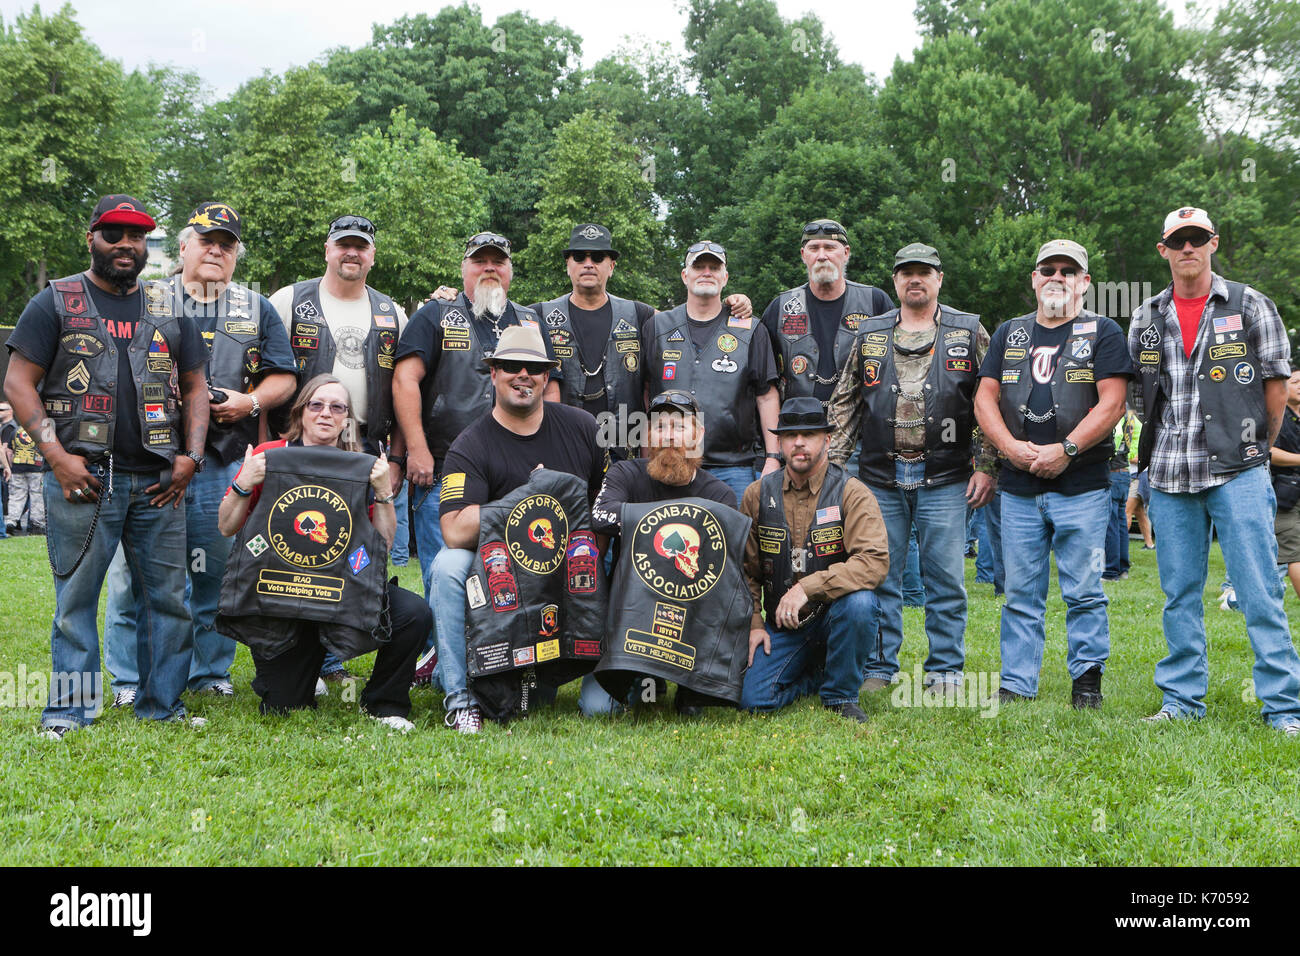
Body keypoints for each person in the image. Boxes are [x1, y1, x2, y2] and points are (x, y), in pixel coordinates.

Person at [3, 194, 209, 738]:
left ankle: (162, 706)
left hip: (159, 481)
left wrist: (190, 457)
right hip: (83, 479)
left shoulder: (171, 308)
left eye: (137, 236)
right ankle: (70, 712)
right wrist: (56, 457)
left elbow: (196, 388)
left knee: (168, 602)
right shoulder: (56, 301)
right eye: (113, 234)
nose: (126, 245)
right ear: (91, 237)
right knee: (75, 602)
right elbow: (18, 383)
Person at [104, 202, 297, 704]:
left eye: (227, 244)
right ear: (183, 247)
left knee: (215, 573)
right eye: (207, 240)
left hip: (223, 458)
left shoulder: (256, 308)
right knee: (136, 577)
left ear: (235, 256)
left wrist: (249, 400)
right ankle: (129, 679)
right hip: (150, 458)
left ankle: (209, 673)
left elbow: (285, 375)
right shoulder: (144, 297)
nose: (216, 249)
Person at [1129, 207, 1300, 733]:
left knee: (1259, 591)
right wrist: (1145, 475)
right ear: (1163, 249)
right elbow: (1140, 399)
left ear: (1213, 243)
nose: (1187, 248)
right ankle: (1181, 700)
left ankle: (1284, 707)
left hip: (1239, 472)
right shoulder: (1145, 316)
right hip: (1171, 476)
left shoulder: (1251, 305)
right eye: (1177, 240)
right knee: (1180, 595)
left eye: (1197, 238)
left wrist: (1254, 450)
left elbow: (1276, 387)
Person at [828, 243, 995, 696]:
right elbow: (845, 402)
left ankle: (945, 671)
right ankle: (880, 668)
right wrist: (833, 468)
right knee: (880, 574)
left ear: (939, 278)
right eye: (906, 273)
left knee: (945, 579)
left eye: (924, 272)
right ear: (896, 281)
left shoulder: (969, 329)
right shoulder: (871, 333)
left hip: (946, 477)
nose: (915, 279)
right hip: (880, 477)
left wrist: (986, 463)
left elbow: (990, 400)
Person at [216, 375, 427, 731]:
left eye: (337, 407)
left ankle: (384, 703)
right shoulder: (269, 456)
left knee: (413, 613)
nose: (326, 413)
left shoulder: (362, 466)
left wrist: (383, 493)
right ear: (302, 412)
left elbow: (384, 544)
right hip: (283, 600)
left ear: (346, 419)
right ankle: (303, 673)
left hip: (341, 593)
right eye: (317, 404)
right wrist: (243, 482)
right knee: (285, 707)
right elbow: (226, 526)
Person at [973, 238, 1130, 708]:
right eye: (1048, 270)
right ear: (1034, 280)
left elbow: (1113, 402)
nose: (1057, 277)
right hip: (1019, 486)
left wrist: (1067, 448)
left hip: (1081, 482)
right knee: (1020, 591)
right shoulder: (1009, 332)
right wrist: (1009, 449)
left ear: (1084, 282)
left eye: (1068, 270)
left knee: (1083, 588)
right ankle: (1018, 684)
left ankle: (1086, 682)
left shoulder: (1103, 331)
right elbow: (984, 397)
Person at [430, 325, 610, 732]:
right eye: (511, 366)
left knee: (542, 696)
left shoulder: (583, 428)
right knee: (447, 565)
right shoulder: (470, 445)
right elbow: (455, 531)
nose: (523, 375)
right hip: (499, 571)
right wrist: (527, 499)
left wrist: (587, 552)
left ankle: (608, 674)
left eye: (533, 368)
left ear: (547, 377)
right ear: (493, 373)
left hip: (563, 566)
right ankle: (459, 699)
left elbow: (603, 504)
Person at [269, 214, 410, 685]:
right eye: (344, 245)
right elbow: (264, 370)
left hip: (365, 441)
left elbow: (410, 388)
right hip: (302, 441)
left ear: (372, 255)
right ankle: (296, 656)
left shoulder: (392, 310)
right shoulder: (291, 299)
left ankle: (332, 659)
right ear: (327, 250)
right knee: (300, 550)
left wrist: (397, 458)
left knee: (354, 550)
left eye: (361, 246)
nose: (352, 253)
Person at [393, 231, 560, 599]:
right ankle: (441, 654)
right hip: (443, 471)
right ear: (464, 268)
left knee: (515, 575)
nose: (489, 268)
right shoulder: (434, 313)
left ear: (510, 270)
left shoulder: (531, 321)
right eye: (479, 261)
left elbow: (550, 389)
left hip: (519, 475)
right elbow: (405, 379)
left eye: (497, 261)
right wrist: (415, 449)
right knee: (447, 577)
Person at [739, 397, 889, 721]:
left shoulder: (852, 492)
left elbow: (874, 560)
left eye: (809, 434)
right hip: (785, 623)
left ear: (828, 440)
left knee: (861, 603)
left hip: (836, 615)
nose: (799, 442)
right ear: (779, 442)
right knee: (754, 700)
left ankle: (839, 695)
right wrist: (754, 623)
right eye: (790, 435)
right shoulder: (757, 494)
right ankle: (818, 677)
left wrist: (807, 587)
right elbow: (745, 571)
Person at [589, 390, 737, 713]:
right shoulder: (624, 474)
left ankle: (691, 687)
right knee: (596, 708)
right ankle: (647, 681)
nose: (669, 435)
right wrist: (668, 523)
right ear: (647, 434)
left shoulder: (721, 495)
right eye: (659, 426)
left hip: (692, 621)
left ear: (698, 434)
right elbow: (599, 517)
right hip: (632, 621)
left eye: (679, 426)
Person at [643, 240, 781, 504]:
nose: (706, 272)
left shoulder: (751, 329)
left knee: (734, 543)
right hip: (670, 462)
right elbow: (646, 392)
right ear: (685, 275)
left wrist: (773, 459)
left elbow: (767, 396)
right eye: (699, 266)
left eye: (714, 267)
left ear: (725, 277)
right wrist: (646, 455)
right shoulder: (657, 327)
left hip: (734, 467)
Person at [760, 218, 894, 416]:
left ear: (846, 253)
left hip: (860, 433)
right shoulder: (781, 308)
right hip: (799, 431)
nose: (822, 256)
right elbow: (763, 378)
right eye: (814, 248)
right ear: (803, 255)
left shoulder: (875, 302)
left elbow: (896, 368)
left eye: (830, 247)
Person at [1271, 368, 1300, 601]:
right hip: (1285, 495)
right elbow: (1266, 452)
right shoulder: (1275, 416)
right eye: (1296, 381)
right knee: (1294, 553)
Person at [2, 403, 43, 535]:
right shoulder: (41, 430)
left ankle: (11, 522)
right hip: (37, 468)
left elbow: (9, 451)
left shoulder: (16, 431)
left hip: (18, 467)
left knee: (16, 496)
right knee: (36, 495)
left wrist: (10, 466)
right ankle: (37, 525)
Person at [1102, 415, 1132, 581]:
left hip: (1113, 472)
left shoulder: (1117, 411)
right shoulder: (1130, 415)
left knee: (1111, 524)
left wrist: (1109, 455)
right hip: (1124, 471)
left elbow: (1118, 433)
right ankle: (1122, 568)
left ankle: (1110, 571)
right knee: (1120, 522)